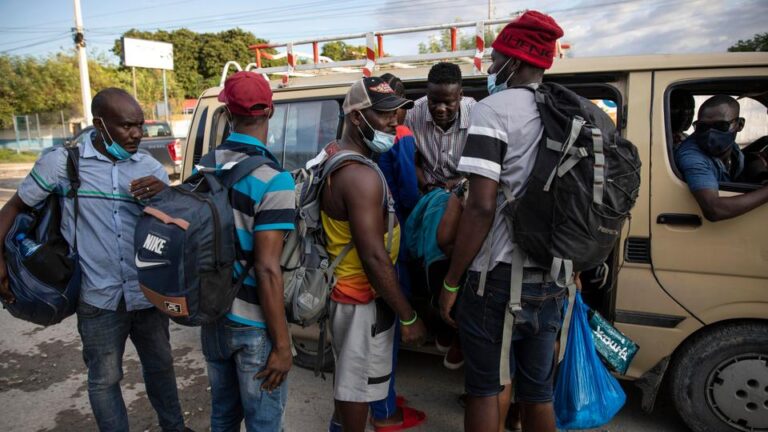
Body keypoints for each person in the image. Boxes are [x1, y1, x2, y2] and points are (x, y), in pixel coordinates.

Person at [0, 88, 190, 432]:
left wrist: (167, 197)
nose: (137, 134)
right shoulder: (62, 163)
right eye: (127, 126)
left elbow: (173, 229)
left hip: (147, 294)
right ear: (98, 124)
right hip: (97, 297)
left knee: (161, 367)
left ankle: (174, 427)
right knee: (104, 378)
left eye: (140, 126)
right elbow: (14, 208)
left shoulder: (151, 168)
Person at [439, 11, 567, 432]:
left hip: (496, 279)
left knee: (485, 389)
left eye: (495, 59)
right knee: (538, 393)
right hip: (554, 277)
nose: (491, 68)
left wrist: (453, 280)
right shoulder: (565, 110)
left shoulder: (492, 112)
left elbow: (480, 206)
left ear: (515, 59)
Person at [323, 77, 427, 432]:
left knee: (355, 383)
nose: (393, 121)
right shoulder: (360, 176)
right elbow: (373, 257)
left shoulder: (337, 153)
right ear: (356, 117)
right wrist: (409, 316)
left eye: (395, 112)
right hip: (359, 299)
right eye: (382, 115)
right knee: (355, 390)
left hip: (355, 296)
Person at [199, 71, 295, 432]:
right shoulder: (275, 179)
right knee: (264, 424)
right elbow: (268, 269)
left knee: (223, 417)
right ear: (270, 111)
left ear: (227, 112)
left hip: (213, 313)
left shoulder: (206, 164)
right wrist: (283, 346)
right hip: (255, 325)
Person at [369, 73, 427, 431]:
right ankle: (384, 407)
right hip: (396, 234)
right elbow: (408, 192)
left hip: (372, 228)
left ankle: (382, 395)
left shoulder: (359, 140)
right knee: (390, 323)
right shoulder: (401, 136)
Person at [674, 94, 768, 221]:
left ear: (739, 125)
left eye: (720, 126)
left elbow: (739, 159)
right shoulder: (692, 156)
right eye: (703, 127)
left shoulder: (727, 146)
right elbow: (714, 209)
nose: (710, 133)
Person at [405, 62, 476, 192]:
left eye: (448, 102)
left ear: (460, 95)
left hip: (468, 187)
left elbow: (482, 166)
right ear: (427, 94)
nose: (440, 109)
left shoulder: (477, 114)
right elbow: (412, 163)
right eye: (434, 101)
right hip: (428, 189)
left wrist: (461, 182)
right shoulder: (412, 115)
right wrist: (427, 188)